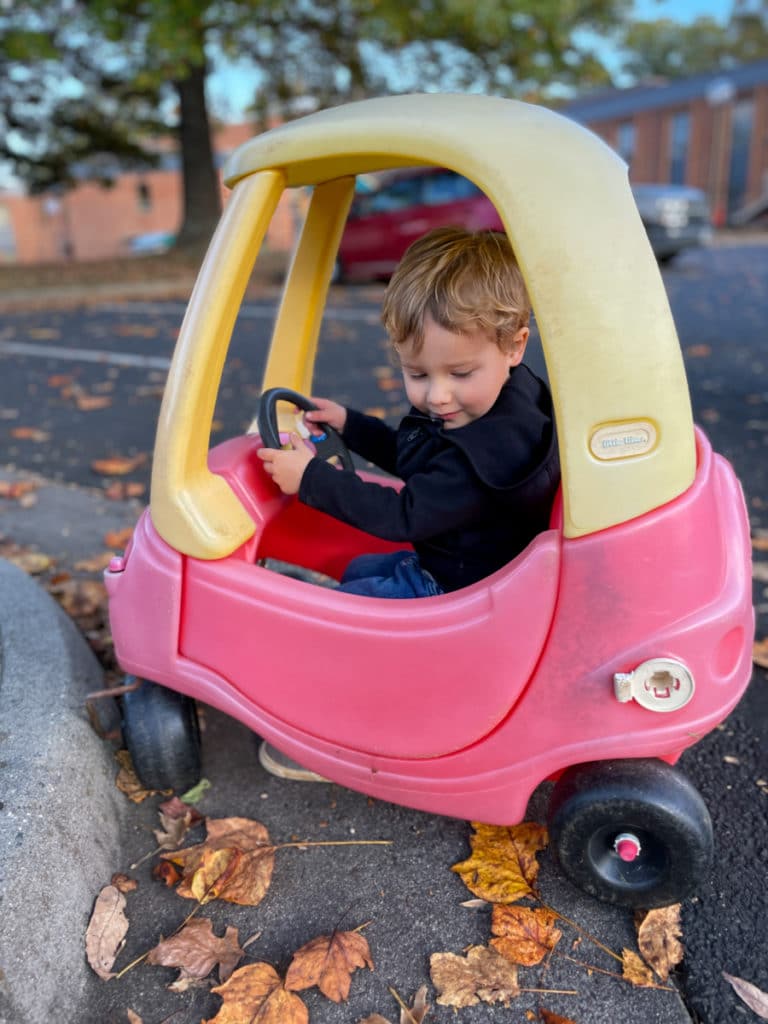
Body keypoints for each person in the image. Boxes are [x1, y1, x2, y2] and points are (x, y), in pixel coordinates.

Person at [257, 226, 560, 602]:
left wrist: (310, 478)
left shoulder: (493, 451)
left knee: (342, 603)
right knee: (360, 568)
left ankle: (292, 607)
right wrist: (351, 425)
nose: (437, 396)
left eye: (460, 373)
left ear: (515, 346)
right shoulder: (497, 403)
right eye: (418, 374)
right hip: (456, 562)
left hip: (457, 593)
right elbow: (424, 459)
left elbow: (402, 515)